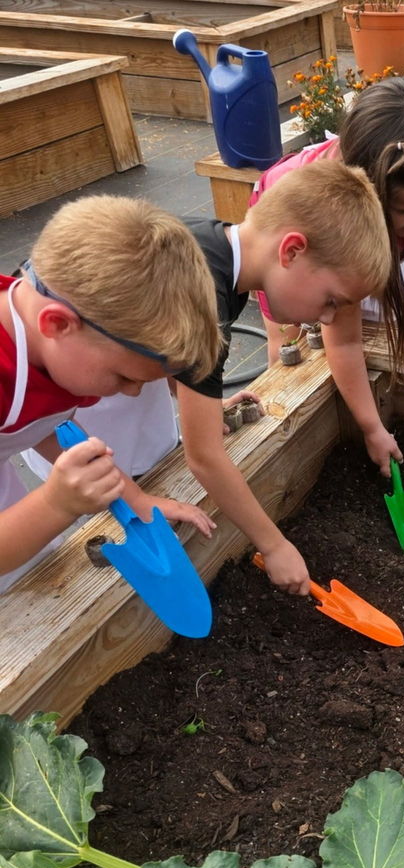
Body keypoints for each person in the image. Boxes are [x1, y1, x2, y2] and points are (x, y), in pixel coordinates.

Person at [174, 159, 392, 595]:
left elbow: (169, 354)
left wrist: (203, 403)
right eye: (331, 300)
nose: (328, 318)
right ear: (291, 250)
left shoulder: (210, 249)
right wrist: (272, 544)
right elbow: (204, 457)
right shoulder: (205, 297)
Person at [250, 76, 404, 476]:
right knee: (292, 340)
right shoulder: (334, 226)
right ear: (372, 193)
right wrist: (372, 428)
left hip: (358, 235)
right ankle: (286, 416)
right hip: (288, 245)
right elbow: (345, 339)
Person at [0, 195, 221, 592]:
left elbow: (43, 421)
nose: (134, 393)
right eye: (123, 377)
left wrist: (136, 500)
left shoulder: (47, 347)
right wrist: (55, 504)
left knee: (30, 571)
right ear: (58, 325)